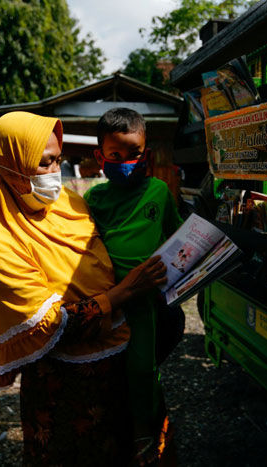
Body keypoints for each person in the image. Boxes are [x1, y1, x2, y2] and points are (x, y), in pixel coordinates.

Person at [0, 111, 167, 466]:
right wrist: (124, 293)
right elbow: (46, 324)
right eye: (43, 163)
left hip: (122, 353)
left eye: (58, 159)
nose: (54, 174)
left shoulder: (69, 203)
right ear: (10, 165)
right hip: (65, 382)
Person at [85, 107, 183, 466]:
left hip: (146, 301)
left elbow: (178, 238)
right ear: (101, 157)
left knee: (143, 368)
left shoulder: (159, 191)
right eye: (116, 156)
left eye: (134, 154)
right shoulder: (94, 200)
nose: (125, 162)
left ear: (148, 154)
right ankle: (123, 436)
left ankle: (150, 435)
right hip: (109, 299)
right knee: (108, 374)